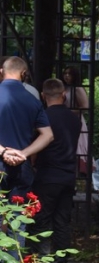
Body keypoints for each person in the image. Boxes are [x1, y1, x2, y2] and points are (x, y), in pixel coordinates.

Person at [29, 79, 81, 263]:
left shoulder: (42, 117)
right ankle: (61, 260)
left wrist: (32, 163)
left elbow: (36, 146)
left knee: (42, 217)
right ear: (64, 95)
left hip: (47, 173)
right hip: (68, 174)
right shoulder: (74, 118)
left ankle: (42, 258)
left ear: (43, 96)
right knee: (62, 219)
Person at [0, 57, 54, 202]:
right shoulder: (33, 101)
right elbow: (48, 135)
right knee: (17, 216)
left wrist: (3, 151)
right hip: (22, 165)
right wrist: (23, 154)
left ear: (1, 72)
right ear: (24, 74)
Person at [62, 65, 90, 174]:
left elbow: (85, 107)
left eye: (69, 74)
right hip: (65, 120)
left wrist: (68, 111)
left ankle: (77, 174)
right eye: (65, 74)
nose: (67, 76)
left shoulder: (78, 88)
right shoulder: (65, 88)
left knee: (77, 147)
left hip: (75, 120)